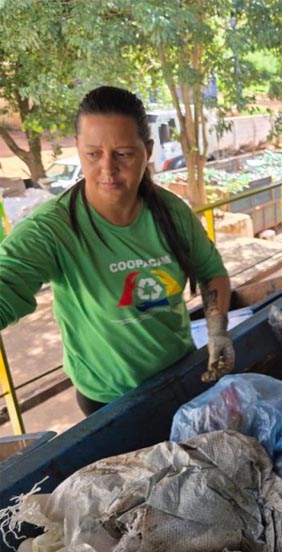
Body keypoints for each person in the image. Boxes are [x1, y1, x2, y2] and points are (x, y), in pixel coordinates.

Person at [0, 86, 235, 416]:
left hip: (179, 378)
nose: (107, 170)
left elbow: (211, 273)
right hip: (108, 403)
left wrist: (217, 330)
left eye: (123, 154)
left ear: (147, 150)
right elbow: (6, 286)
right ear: (78, 150)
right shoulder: (53, 229)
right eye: (93, 154)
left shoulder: (171, 213)